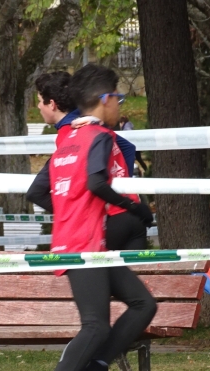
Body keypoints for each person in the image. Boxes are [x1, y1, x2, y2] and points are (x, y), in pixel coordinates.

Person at [22, 64, 157, 371]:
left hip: (81, 242)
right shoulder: (97, 137)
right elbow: (97, 181)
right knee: (95, 326)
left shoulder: (67, 142)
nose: (120, 106)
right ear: (105, 100)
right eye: (119, 98)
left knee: (144, 304)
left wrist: (67, 210)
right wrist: (137, 208)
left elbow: (38, 191)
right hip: (84, 245)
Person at [28, 71, 150, 251]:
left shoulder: (71, 134)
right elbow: (127, 148)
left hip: (104, 221)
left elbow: (36, 192)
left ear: (52, 104)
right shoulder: (92, 124)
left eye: (40, 100)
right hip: (127, 215)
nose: (38, 106)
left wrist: (73, 210)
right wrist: (122, 186)